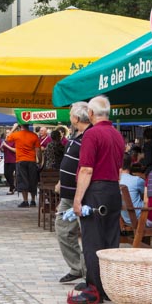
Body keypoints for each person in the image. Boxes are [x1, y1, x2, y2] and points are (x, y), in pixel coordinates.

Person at [70, 95, 124, 304]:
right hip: (113, 189)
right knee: (110, 241)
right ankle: (108, 286)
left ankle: (94, 290)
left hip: (96, 189)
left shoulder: (92, 134)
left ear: (90, 113)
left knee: (93, 240)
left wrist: (77, 199)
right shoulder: (117, 134)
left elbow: (86, 169)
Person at [55, 101, 90, 284]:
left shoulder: (89, 136)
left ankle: (88, 273)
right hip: (67, 194)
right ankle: (77, 267)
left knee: (87, 234)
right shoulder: (75, 135)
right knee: (62, 229)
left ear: (76, 118)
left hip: (81, 195)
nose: (69, 117)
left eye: (70, 114)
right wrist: (61, 181)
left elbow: (86, 167)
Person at [6, 123, 42, 208]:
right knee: (33, 180)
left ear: (20, 126)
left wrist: (14, 128)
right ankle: (33, 200)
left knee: (23, 180)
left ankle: (25, 201)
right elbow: (38, 150)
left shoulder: (16, 134)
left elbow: (7, 138)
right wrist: (40, 160)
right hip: (31, 160)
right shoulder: (34, 135)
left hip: (20, 160)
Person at [119, 153, 145, 225]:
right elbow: (147, 193)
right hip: (140, 217)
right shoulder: (137, 180)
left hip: (124, 218)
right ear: (131, 164)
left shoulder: (114, 181)